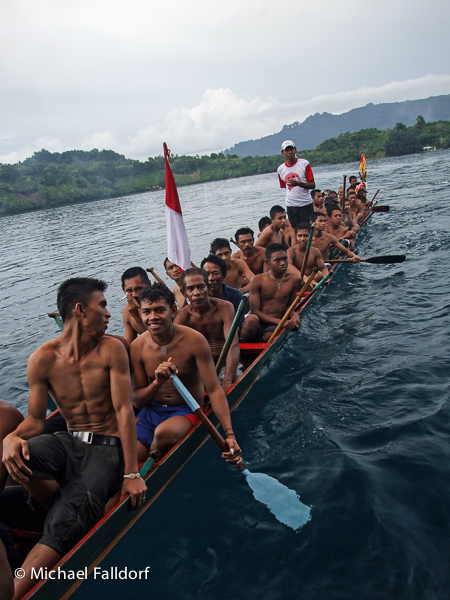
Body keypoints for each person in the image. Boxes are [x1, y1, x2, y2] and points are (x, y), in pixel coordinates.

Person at [2, 278, 146, 599]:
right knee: (17, 452)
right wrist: (11, 438)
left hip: (107, 450)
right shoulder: (43, 359)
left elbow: (125, 410)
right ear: (80, 310)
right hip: (69, 442)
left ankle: (14, 592)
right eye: (103, 305)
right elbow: (37, 420)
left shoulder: (112, 348)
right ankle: (41, 505)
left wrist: (132, 473)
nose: (109, 314)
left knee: (65, 522)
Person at [131, 284, 241, 462]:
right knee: (131, 454)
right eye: (146, 312)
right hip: (151, 411)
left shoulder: (194, 340)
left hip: (186, 409)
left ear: (173, 310)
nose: (153, 317)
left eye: (159, 310)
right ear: (140, 314)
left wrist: (229, 434)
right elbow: (137, 399)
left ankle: (154, 460)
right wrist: (156, 383)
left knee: (162, 435)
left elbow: (213, 389)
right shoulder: (137, 348)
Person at [174, 269, 241, 393]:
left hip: (225, 365)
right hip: (200, 370)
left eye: (201, 287)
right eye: (191, 289)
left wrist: (227, 379)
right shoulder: (181, 318)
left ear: (208, 288)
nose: (197, 293)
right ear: (184, 293)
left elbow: (233, 344)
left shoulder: (225, 307)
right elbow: (177, 354)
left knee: (236, 378)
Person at [247, 244, 302, 342]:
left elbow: (289, 306)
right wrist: (282, 322)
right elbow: (255, 311)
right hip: (259, 321)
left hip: (274, 325)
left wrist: (294, 315)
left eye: (285, 259)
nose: (282, 263)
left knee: (268, 336)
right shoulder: (257, 280)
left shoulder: (295, 279)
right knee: (250, 320)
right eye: (277, 260)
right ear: (268, 262)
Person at [277, 140, 315, 229]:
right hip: (291, 205)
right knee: (296, 230)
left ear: (295, 150)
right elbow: (285, 187)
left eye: (291, 149)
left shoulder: (304, 164)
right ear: (283, 153)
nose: (290, 152)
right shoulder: (280, 169)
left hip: (305, 203)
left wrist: (298, 183)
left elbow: (312, 185)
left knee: (308, 230)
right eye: (287, 150)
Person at [121, 267, 151, 344]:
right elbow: (129, 344)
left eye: (139, 289)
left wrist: (137, 317)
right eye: (129, 291)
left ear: (149, 284)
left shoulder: (159, 305)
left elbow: (160, 341)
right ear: (123, 289)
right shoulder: (127, 310)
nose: (134, 295)